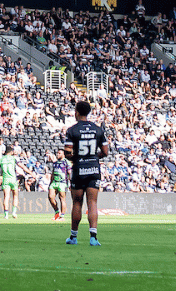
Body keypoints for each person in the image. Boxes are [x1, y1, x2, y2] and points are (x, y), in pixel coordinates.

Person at [62, 100, 107, 247]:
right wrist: (93, 157)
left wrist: (78, 158)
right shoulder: (98, 129)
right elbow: (105, 152)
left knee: (77, 202)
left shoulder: (72, 130)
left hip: (79, 169)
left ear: (76, 112)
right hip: (94, 168)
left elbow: (67, 153)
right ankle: (93, 237)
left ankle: (73, 237)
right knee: (92, 202)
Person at [0, 147, 20, 219]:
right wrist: (30, 172)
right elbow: (21, 166)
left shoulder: (1, 159)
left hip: (5, 179)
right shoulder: (13, 159)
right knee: (15, 196)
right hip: (13, 179)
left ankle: (6, 215)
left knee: (6, 197)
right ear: (11, 152)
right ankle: (14, 213)